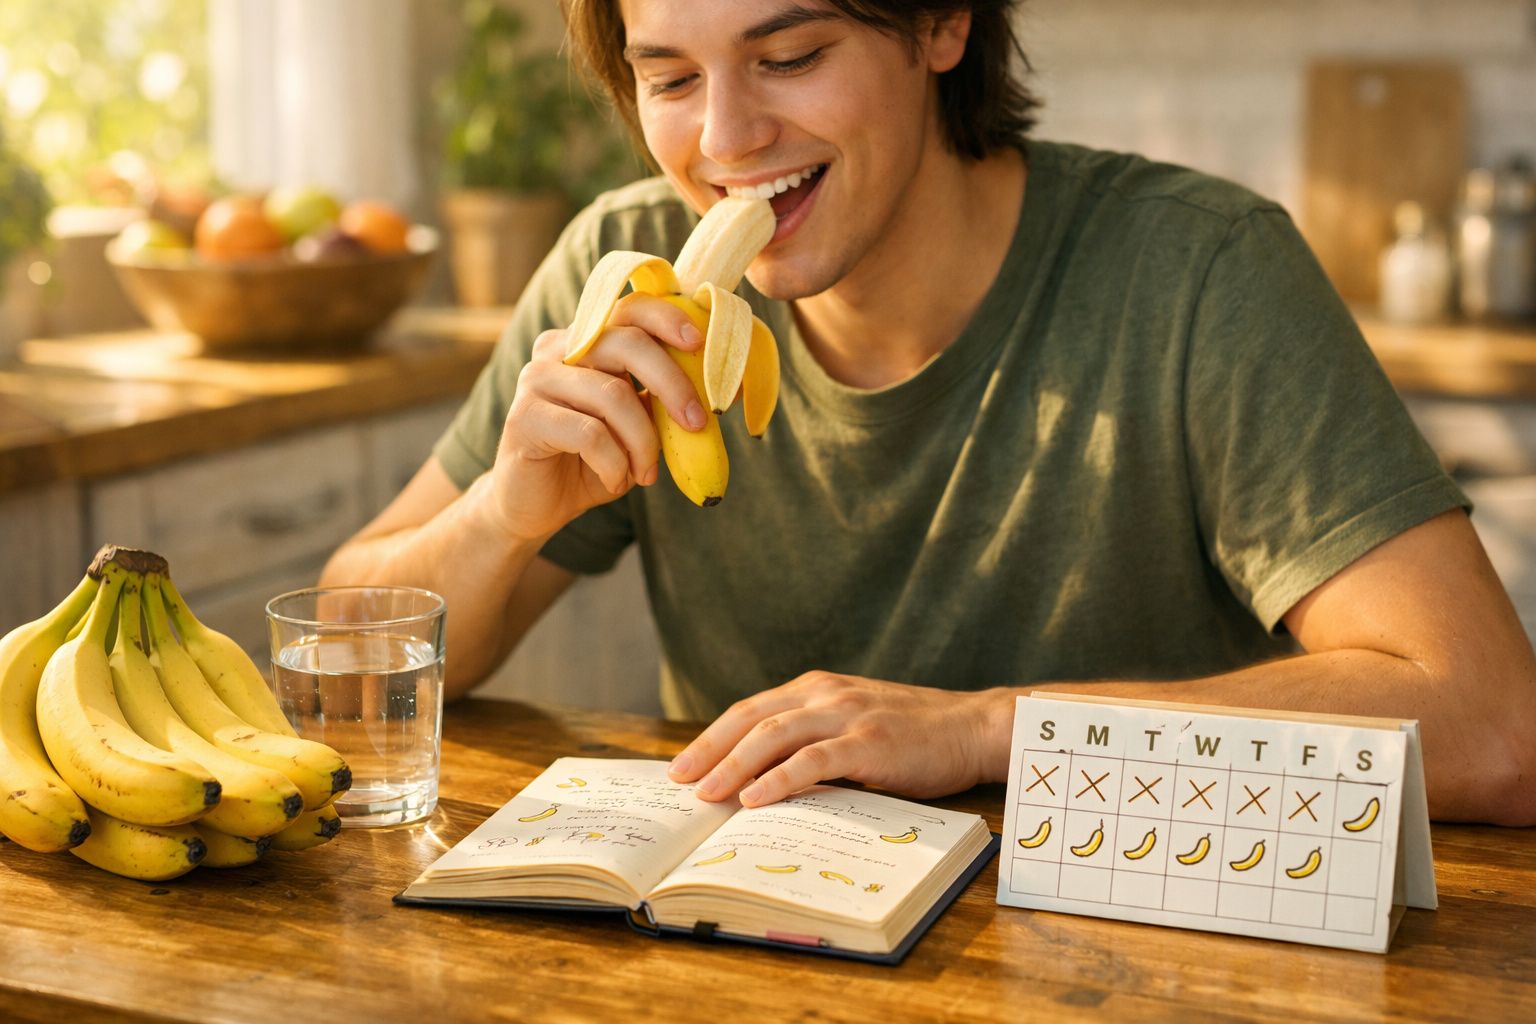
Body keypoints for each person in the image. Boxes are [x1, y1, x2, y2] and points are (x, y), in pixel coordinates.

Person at [323, 0, 1536, 825]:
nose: (726, 139)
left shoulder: (1198, 271)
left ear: (944, 23)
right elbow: (343, 662)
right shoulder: (624, 263)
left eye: (791, 56)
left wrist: (984, 730)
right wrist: (502, 515)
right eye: (671, 77)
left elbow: (1491, 723)